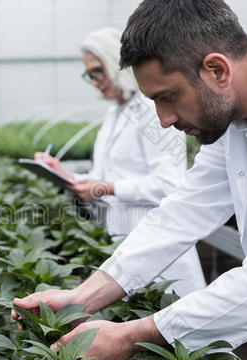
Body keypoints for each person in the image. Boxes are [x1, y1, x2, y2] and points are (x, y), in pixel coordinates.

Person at [15, 1, 247, 360]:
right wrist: (82, 297)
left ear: (217, 70)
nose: (162, 119)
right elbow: (181, 212)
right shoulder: (232, 117)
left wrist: (132, 337)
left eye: (168, 97)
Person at [33, 27, 205, 297]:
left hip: (160, 246)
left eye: (97, 71)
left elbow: (169, 184)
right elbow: (102, 178)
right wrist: (61, 173)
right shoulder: (115, 115)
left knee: (172, 326)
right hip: (124, 244)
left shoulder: (151, 110)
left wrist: (108, 187)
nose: (94, 81)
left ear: (115, 62)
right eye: (89, 75)